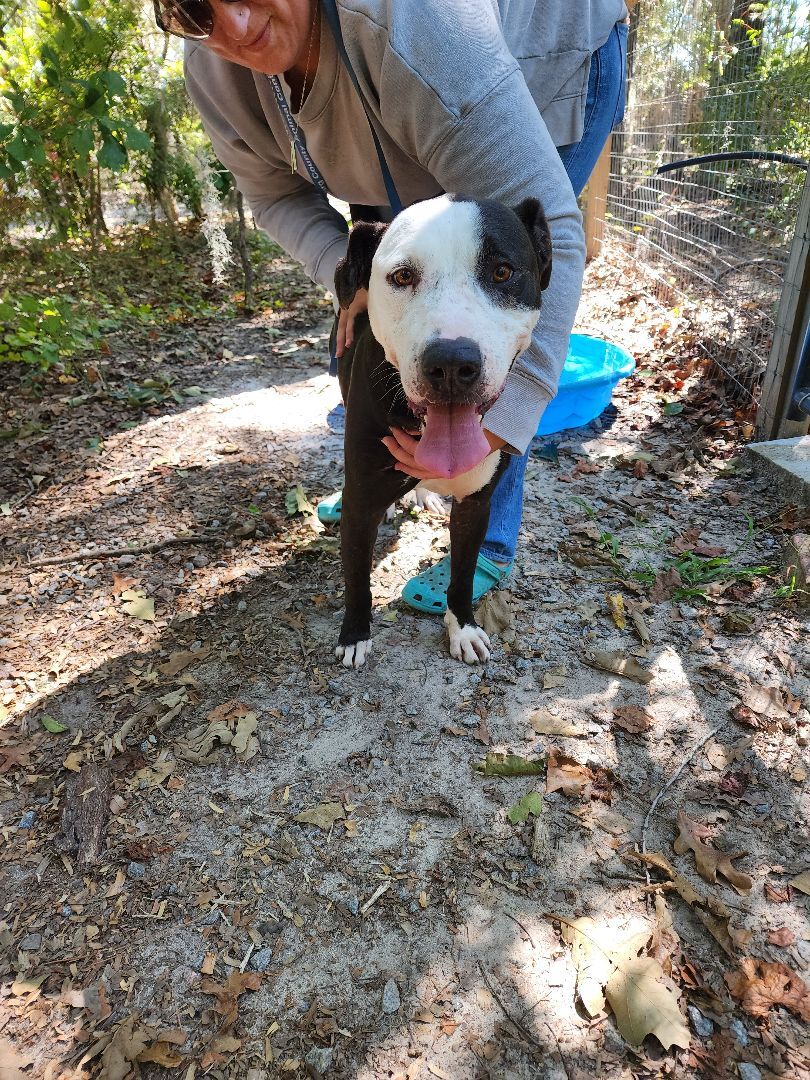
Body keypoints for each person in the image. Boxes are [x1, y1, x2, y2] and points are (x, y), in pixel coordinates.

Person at [155, 0, 627, 612]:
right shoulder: (212, 68)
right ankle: (377, 476)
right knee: (389, 297)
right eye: (193, 8)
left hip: (543, 67)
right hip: (402, 103)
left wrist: (511, 413)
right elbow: (275, 197)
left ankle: (485, 535)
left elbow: (554, 232)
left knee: (487, 281)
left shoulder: (418, 22)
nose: (235, 25)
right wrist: (355, 276)